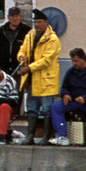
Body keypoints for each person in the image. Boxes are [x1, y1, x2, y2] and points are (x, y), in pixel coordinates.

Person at [16, 9, 62, 144]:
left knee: (47, 109)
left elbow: (46, 60)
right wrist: (21, 57)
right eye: (35, 22)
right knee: (31, 108)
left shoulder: (53, 39)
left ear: (46, 23)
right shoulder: (30, 35)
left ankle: (46, 136)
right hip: (31, 79)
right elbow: (22, 49)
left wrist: (29, 68)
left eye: (40, 22)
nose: (37, 25)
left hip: (46, 79)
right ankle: (30, 136)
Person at [50, 47, 86, 145]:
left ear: (83, 59)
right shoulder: (70, 71)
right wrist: (65, 94)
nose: (74, 63)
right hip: (73, 101)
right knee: (56, 107)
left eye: (76, 61)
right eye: (72, 61)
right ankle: (61, 135)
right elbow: (64, 87)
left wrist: (85, 98)